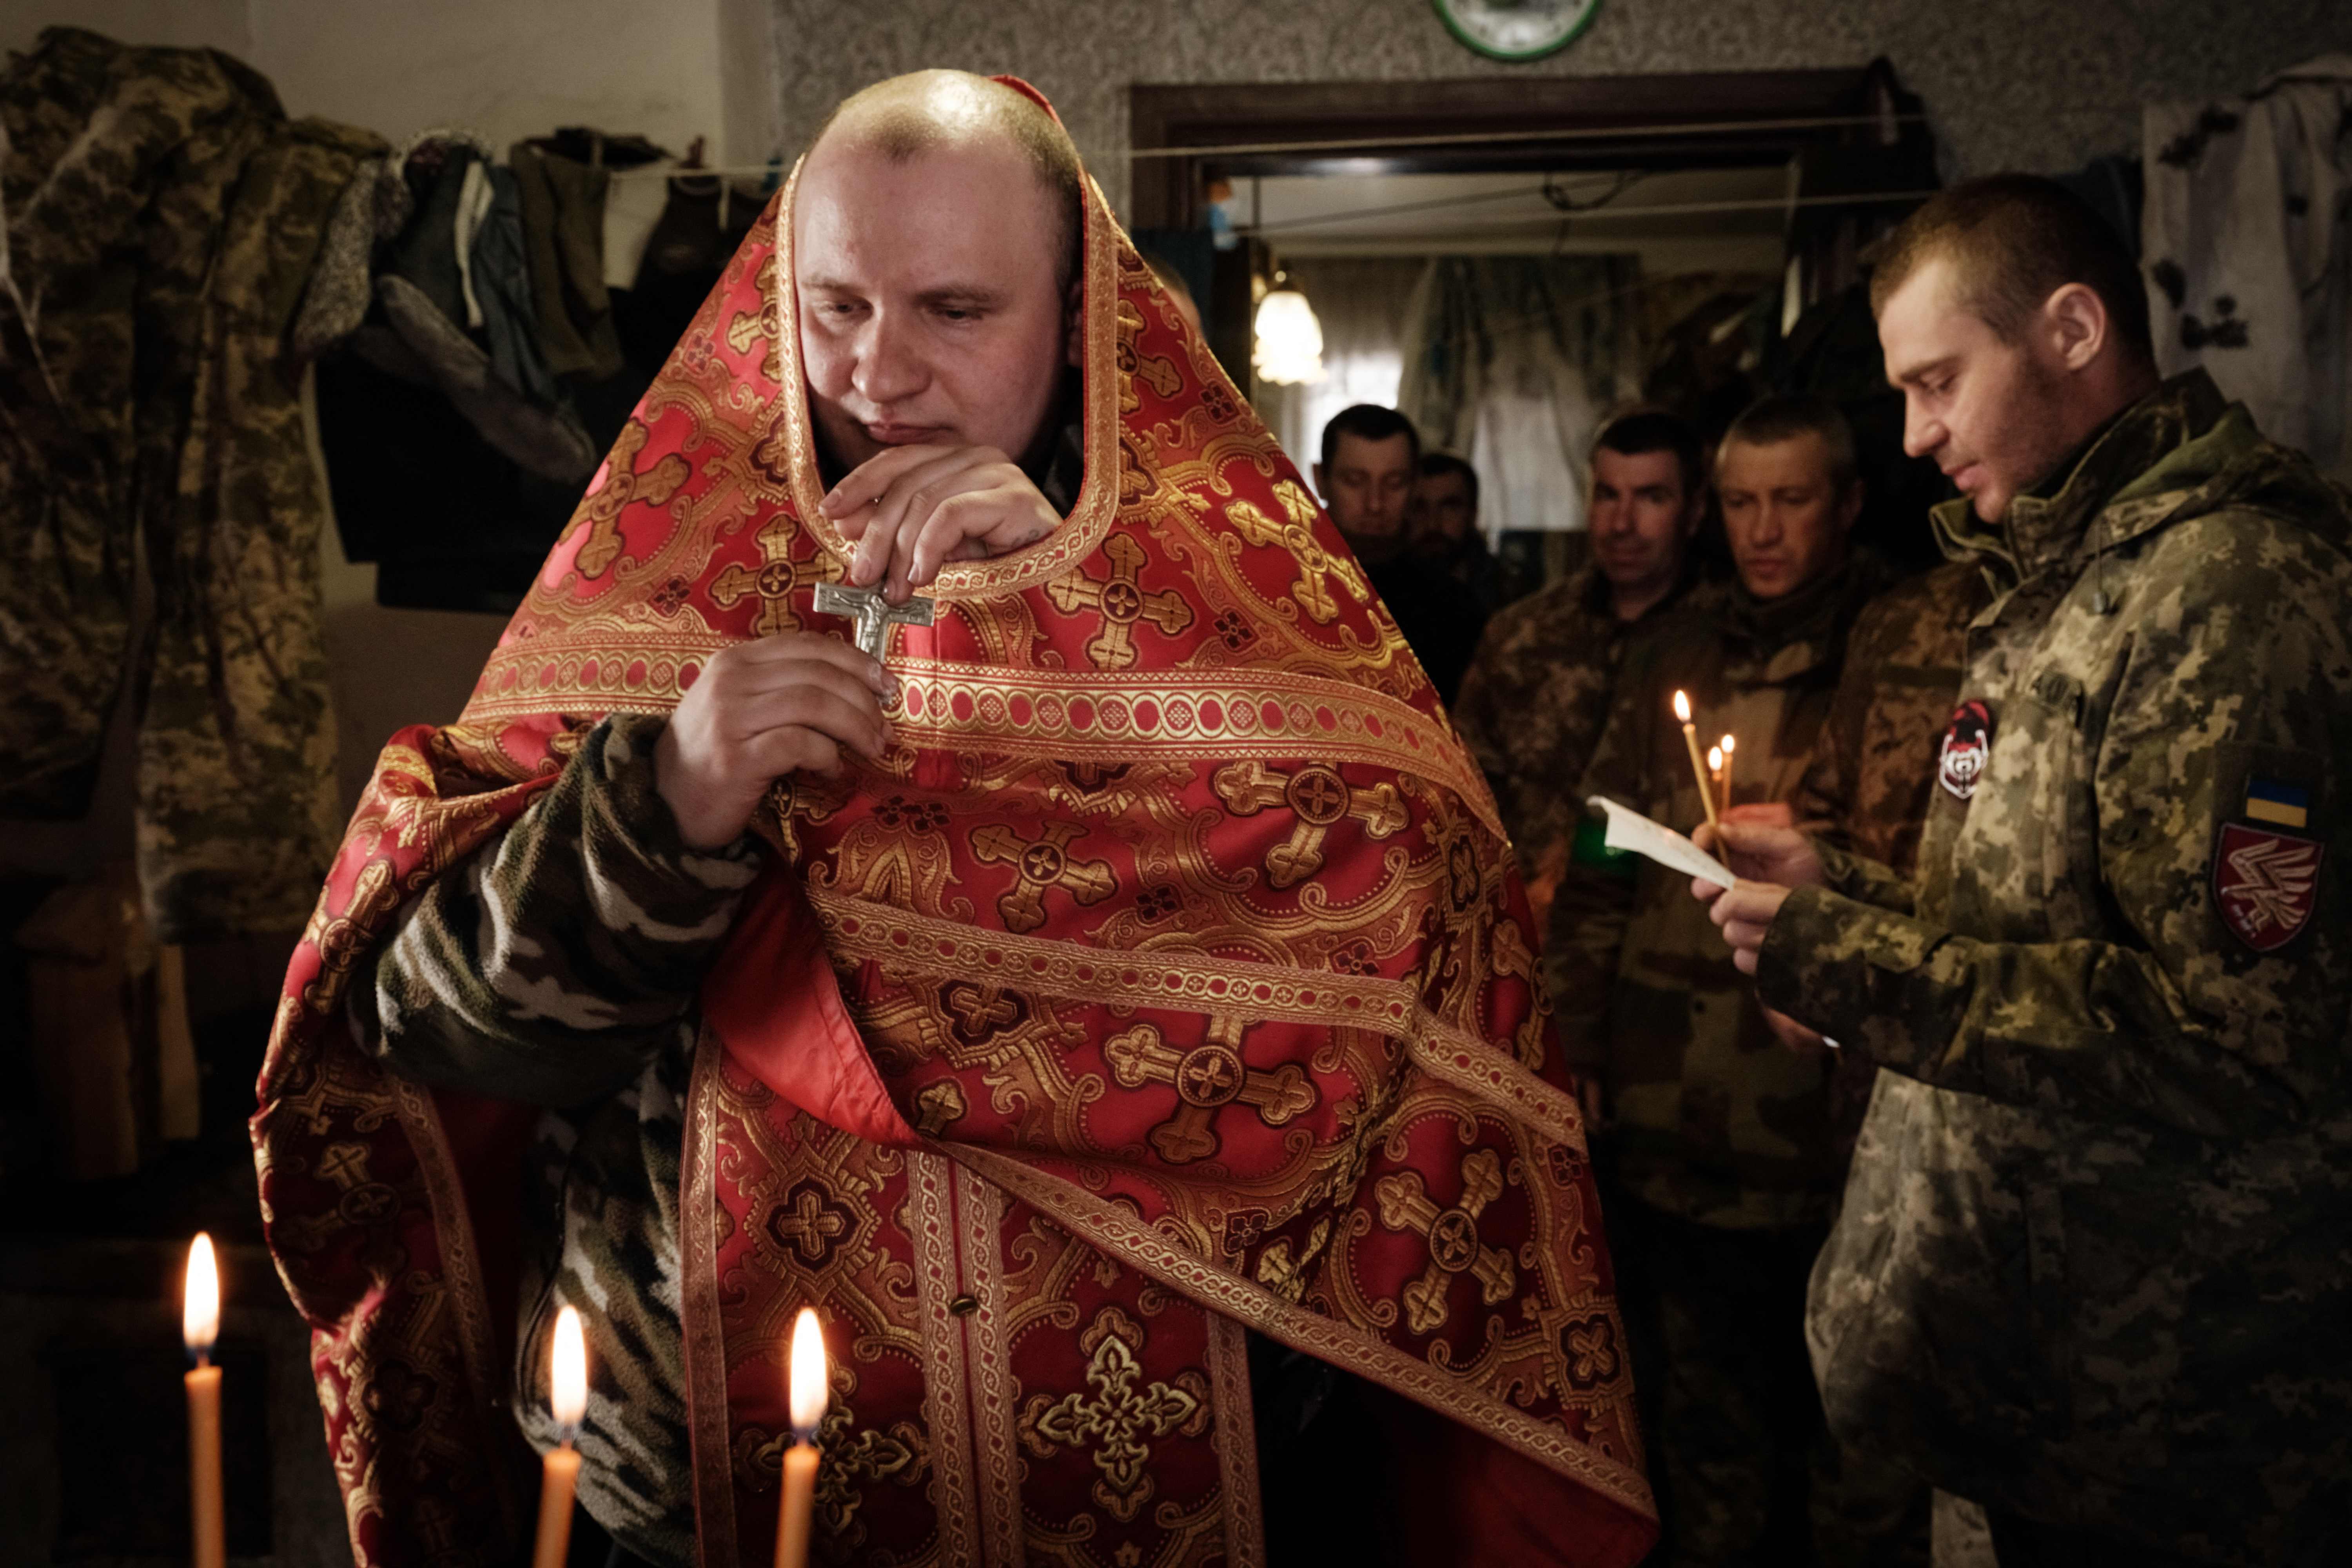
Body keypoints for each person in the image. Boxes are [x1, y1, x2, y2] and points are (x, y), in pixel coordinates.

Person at [256, 71, 1657, 1568]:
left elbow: (1410, 988)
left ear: (1082, 317)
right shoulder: (644, 590)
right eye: (836, 305)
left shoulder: (1247, 618)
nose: (880, 373)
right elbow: (434, 1034)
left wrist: (1094, 634)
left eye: (954, 310)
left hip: (1166, 1482)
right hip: (693, 1496)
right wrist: (661, 802)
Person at [1696, 175, 2352, 1566]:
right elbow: (2026, 928)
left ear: (2069, 328)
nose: (1920, 436)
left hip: (2171, 1420)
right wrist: (1841, 892)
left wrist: (1845, 963)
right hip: (2040, 1377)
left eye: (1940, 382)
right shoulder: (2060, 571)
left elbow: (2236, 1041)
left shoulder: (2231, 595)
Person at [1553, 393, 1892, 1564]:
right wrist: (1577, 1038)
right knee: (1700, 1439)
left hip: (1820, 1118)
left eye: (1788, 499)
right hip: (1668, 1105)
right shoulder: (1672, 653)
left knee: (1851, 1448)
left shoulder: (1894, 651)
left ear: (1845, 503)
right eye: (1740, 502)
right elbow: (1599, 852)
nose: (1760, 529)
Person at [1451, 408, 1708, 934]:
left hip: (1678, 944)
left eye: (1652, 498)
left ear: (1694, 510)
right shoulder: (1523, 637)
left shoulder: (1727, 642)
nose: (1622, 523)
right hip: (1532, 937)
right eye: (1608, 495)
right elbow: (1463, 800)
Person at [1315, 403, 1486, 701]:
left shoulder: (1454, 608)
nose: (1375, 504)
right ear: (1321, 480)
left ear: (1415, 485)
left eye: (1394, 483)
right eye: (1355, 482)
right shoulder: (1276, 586)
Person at [1405, 451, 1507, 612]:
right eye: (1419, 508)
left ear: (1472, 514)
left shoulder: (1508, 593)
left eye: (1450, 508)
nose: (1433, 525)